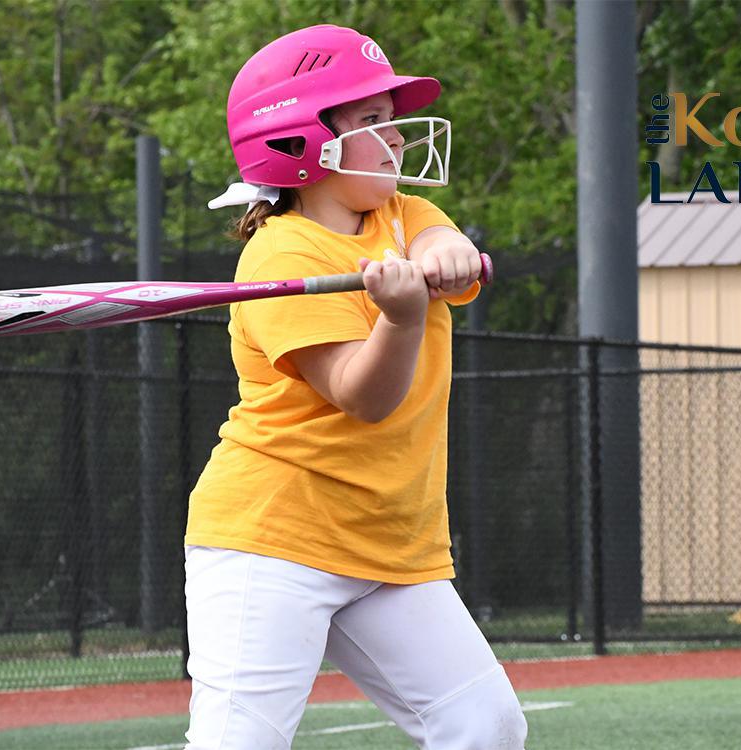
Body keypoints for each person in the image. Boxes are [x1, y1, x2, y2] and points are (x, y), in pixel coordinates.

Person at [185, 25, 527, 750]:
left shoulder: (399, 215)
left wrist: (444, 256)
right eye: (371, 121)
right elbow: (363, 395)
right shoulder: (278, 252)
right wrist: (401, 318)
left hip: (389, 546)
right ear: (299, 143)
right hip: (274, 538)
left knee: (484, 724)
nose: (396, 137)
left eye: (391, 118)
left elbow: (439, 238)